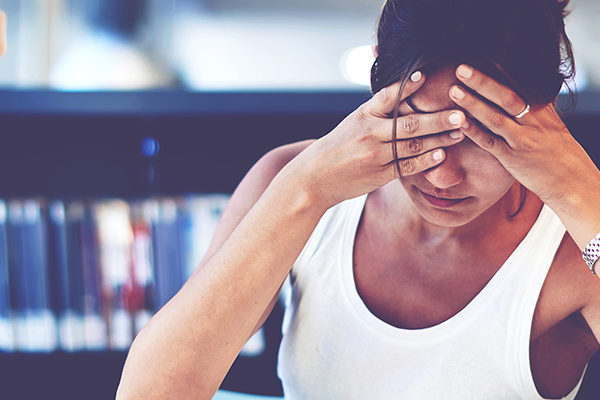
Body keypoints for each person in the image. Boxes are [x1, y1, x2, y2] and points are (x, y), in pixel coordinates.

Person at [116, 0, 600, 399]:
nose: (444, 175)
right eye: (420, 128)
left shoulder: (576, 239)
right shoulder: (292, 184)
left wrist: (580, 187)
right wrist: (305, 190)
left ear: (544, 112)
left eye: (484, 139)